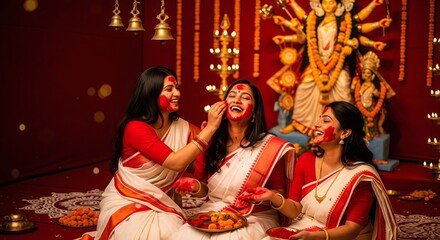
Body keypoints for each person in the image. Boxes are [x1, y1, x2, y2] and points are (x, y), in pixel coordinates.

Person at [82, 66, 227, 240]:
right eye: (169, 89)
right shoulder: (135, 128)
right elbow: (176, 162)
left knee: (176, 234)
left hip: (164, 203)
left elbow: (207, 156)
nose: (177, 93)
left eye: (177, 88)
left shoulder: (183, 127)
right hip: (128, 200)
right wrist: (209, 129)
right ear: (151, 93)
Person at [238, 101, 397, 239]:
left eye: (326, 120)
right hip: (306, 229)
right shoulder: (306, 160)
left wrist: (317, 237)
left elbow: (352, 229)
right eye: (319, 118)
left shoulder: (361, 176)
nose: (316, 124)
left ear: (345, 132)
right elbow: (295, 210)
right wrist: (272, 197)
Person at [170, 79, 296, 239]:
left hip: (255, 216)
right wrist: (194, 186)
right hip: (215, 210)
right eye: (232, 95)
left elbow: (280, 193)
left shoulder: (269, 147)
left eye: (245, 97)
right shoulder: (210, 140)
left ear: (255, 111)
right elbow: (204, 188)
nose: (237, 99)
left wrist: (266, 196)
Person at [268, 0, 391, 136]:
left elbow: (356, 39)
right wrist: (297, 29)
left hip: (337, 63)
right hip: (316, 62)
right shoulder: (313, 20)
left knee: (343, 85)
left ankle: (342, 127)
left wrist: (352, 45)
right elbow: (303, 39)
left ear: (338, 4)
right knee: (303, 87)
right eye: (325, 2)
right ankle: (298, 123)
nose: (328, 6)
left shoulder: (346, 20)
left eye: (331, 2)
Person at [352, 51, 395, 139]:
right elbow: (354, 93)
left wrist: (377, 93)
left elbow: (381, 97)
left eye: (368, 73)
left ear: (372, 76)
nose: (366, 75)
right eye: (364, 73)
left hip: (371, 106)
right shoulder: (360, 84)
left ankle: (372, 133)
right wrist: (353, 85)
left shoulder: (374, 85)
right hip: (361, 106)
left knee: (372, 121)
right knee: (362, 121)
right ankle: (362, 134)